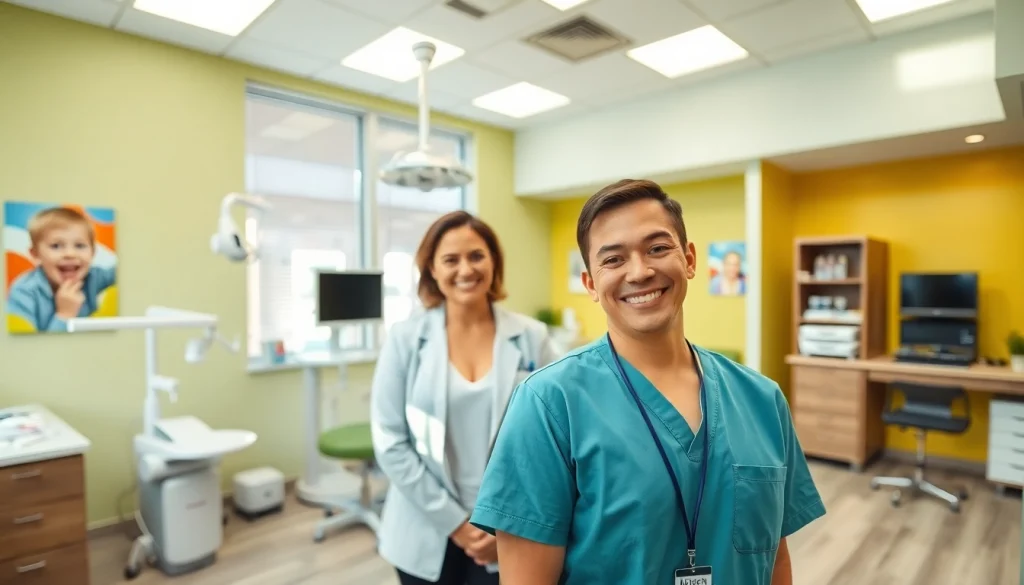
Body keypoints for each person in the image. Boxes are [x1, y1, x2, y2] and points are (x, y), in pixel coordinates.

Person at [470, 179, 826, 585]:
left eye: (658, 248)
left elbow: (775, 562)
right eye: (613, 259)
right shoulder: (548, 404)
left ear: (690, 260)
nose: (640, 272)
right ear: (590, 283)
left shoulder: (762, 400)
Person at [370, 210, 560, 585]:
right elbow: (390, 441)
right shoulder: (405, 339)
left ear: (493, 262)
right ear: (432, 270)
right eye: (450, 259)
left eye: (476, 255)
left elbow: (553, 438)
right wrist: (456, 523)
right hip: (424, 523)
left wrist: (502, 523)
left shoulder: (531, 337)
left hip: (507, 525)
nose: (465, 269)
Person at [6, 206, 116, 333]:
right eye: (56, 246)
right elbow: (29, 346)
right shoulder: (24, 291)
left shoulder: (96, 276)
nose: (70, 253)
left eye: (79, 245)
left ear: (93, 252)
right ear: (35, 254)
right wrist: (64, 315)